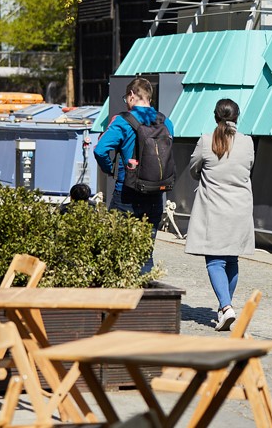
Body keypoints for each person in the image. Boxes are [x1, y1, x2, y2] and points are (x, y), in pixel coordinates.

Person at [184, 99, 255, 331]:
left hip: (213, 209)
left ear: (216, 117)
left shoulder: (206, 140)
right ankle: (226, 307)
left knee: (214, 260)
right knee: (232, 259)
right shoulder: (247, 142)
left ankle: (226, 307)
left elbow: (194, 168)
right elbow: (249, 167)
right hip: (240, 208)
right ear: (237, 117)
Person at [93, 77, 174, 275]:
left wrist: (109, 169)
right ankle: (144, 299)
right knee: (145, 253)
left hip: (126, 193)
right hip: (155, 193)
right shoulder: (166, 121)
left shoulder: (123, 121)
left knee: (115, 250)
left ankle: (119, 301)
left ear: (131, 96)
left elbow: (100, 149)